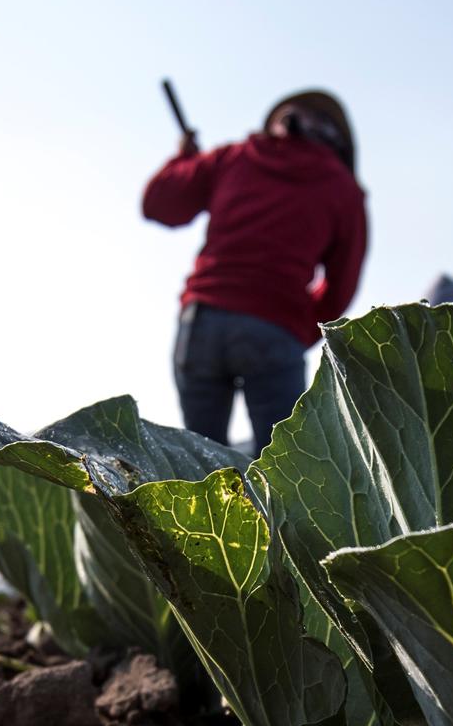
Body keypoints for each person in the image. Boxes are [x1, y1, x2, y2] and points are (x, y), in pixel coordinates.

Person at [142, 89, 368, 455]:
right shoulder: (344, 190)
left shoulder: (235, 157)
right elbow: (341, 287)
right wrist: (295, 328)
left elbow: (159, 203)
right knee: (286, 463)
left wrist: (183, 160)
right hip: (275, 330)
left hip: (202, 321)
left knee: (202, 463)